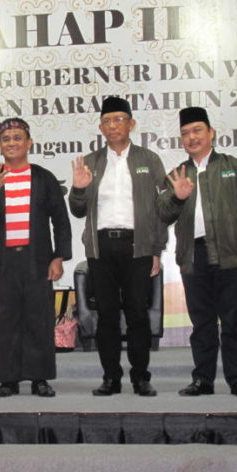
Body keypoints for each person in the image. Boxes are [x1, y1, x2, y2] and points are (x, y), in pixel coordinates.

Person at [157, 107, 237, 398]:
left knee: (234, 320)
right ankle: (203, 379)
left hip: (232, 254)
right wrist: (177, 197)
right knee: (202, 323)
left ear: (211, 132)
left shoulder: (235, 167)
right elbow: (163, 214)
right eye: (185, 133)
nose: (191, 137)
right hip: (195, 257)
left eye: (196, 130)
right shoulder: (176, 174)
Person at [0, 118, 72, 398]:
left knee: (38, 320)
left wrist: (59, 256)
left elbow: (60, 220)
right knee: (3, 321)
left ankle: (40, 378)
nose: (11, 143)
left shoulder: (43, 177)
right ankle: (7, 379)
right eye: (6, 139)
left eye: (17, 138)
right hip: (1, 263)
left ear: (29, 143)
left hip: (37, 261)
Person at [68, 97, 168, 397]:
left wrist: (156, 249)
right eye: (107, 122)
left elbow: (162, 209)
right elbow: (78, 210)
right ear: (101, 127)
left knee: (138, 314)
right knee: (107, 316)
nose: (113, 126)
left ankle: (141, 377)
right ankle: (111, 377)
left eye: (119, 120)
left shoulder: (149, 160)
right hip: (101, 250)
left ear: (131, 124)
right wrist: (79, 188)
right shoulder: (91, 161)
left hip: (137, 247)